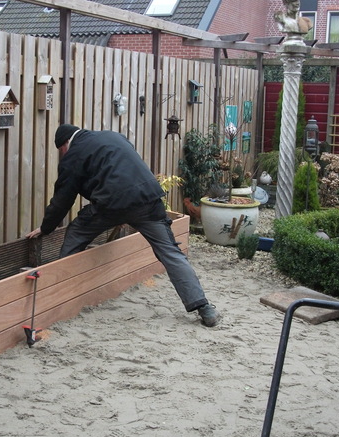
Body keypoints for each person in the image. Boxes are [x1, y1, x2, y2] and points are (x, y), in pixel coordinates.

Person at [26, 124, 220, 327]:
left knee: (76, 232)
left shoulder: (74, 154)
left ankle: (60, 290)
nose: (62, 155)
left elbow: (63, 199)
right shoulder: (113, 137)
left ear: (65, 143)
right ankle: (204, 308)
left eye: (61, 151)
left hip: (111, 205)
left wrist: (46, 228)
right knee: (170, 251)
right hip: (148, 199)